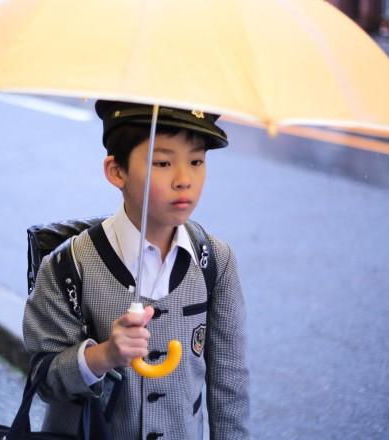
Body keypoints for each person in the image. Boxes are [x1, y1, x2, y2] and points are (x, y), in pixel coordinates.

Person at [23, 100, 250, 440]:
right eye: (162, 162)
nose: (184, 179)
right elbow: (45, 380)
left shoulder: (214, 261)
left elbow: (229, 382)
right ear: (117, 171)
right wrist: (103, 356)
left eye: (197, 161)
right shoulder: (69, 264)